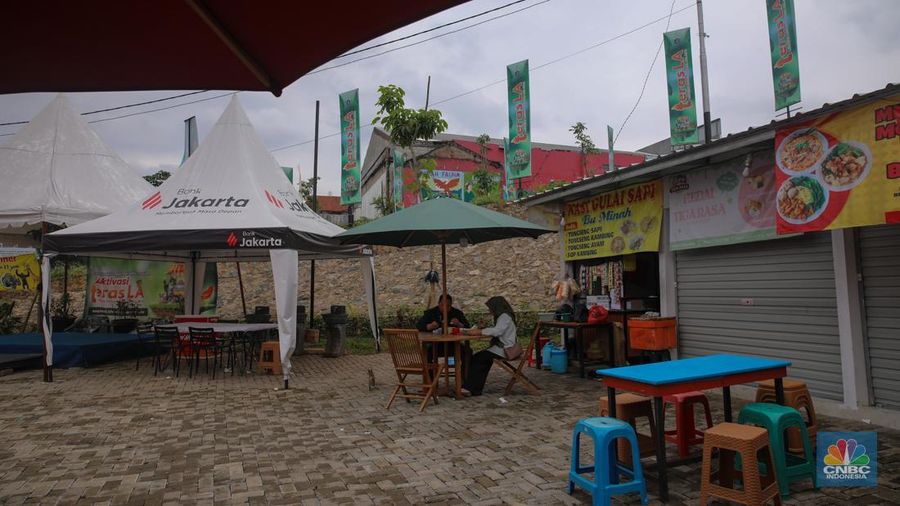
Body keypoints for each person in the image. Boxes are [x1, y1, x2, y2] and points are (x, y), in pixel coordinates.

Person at [462, 296, 517, 397]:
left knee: (479, 358)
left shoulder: (504, 316)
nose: (490, 310)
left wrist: (480, 331)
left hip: (505, 349)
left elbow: (497, 331)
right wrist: (484, 329)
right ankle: (474, 388)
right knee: (481, 358)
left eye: (490, 308)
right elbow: (498, 330)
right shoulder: (503, 316)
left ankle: (469, 387)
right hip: (502, 347)